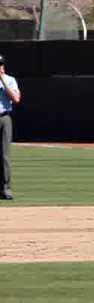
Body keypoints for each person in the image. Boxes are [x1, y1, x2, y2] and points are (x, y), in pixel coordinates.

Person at [0, 54, 21, 200]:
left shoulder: (10, 80)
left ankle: (5, 189)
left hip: (4, 118)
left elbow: (16, 99)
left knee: (4, 155)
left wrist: (2, 80)